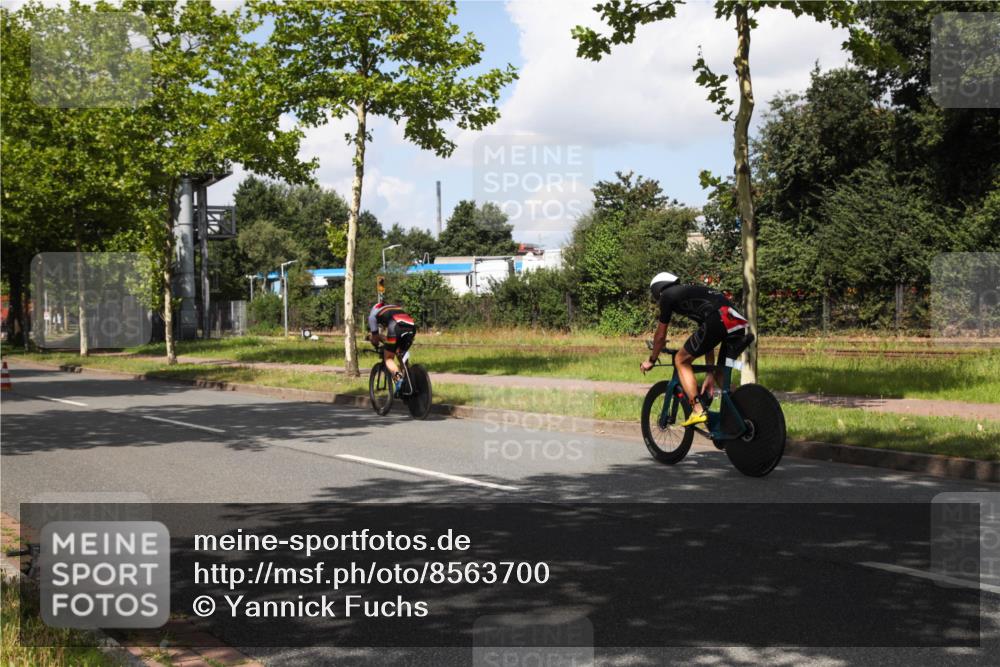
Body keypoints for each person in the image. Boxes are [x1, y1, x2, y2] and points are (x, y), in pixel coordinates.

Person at [640, 271, 749, 427]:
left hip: (717, 318)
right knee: (720, 371)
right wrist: (709, 373)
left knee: (680, 359)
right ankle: (743, 412)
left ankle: (697, 409)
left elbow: (660, 336)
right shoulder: (690, 293)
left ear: (658, 290)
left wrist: (651, 360)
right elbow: (708, 341)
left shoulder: (667, 295)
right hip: (736, 321)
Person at [368, 297, 417, 394]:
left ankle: (399, 380)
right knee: (400, 353)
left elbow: (375, 338)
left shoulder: (372, 316)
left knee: (389, 358)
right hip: (411, 326)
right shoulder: (394, 308)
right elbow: (391, 339)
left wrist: (373, 340)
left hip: (396, 326)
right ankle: (409, 381)